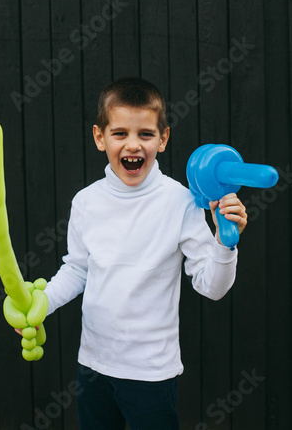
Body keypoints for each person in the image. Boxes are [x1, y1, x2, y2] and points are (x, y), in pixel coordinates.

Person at [18, 77, 247, 429]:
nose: (133, 145)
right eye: (120, 133)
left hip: (151, 374)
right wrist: (41, 305)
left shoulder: (181, 202)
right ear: (100, 137)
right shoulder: (86, 202)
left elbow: (212, 288)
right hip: (93, 367)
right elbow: (78, 270)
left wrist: (225, 242)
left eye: (145, 134)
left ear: (163, 138)